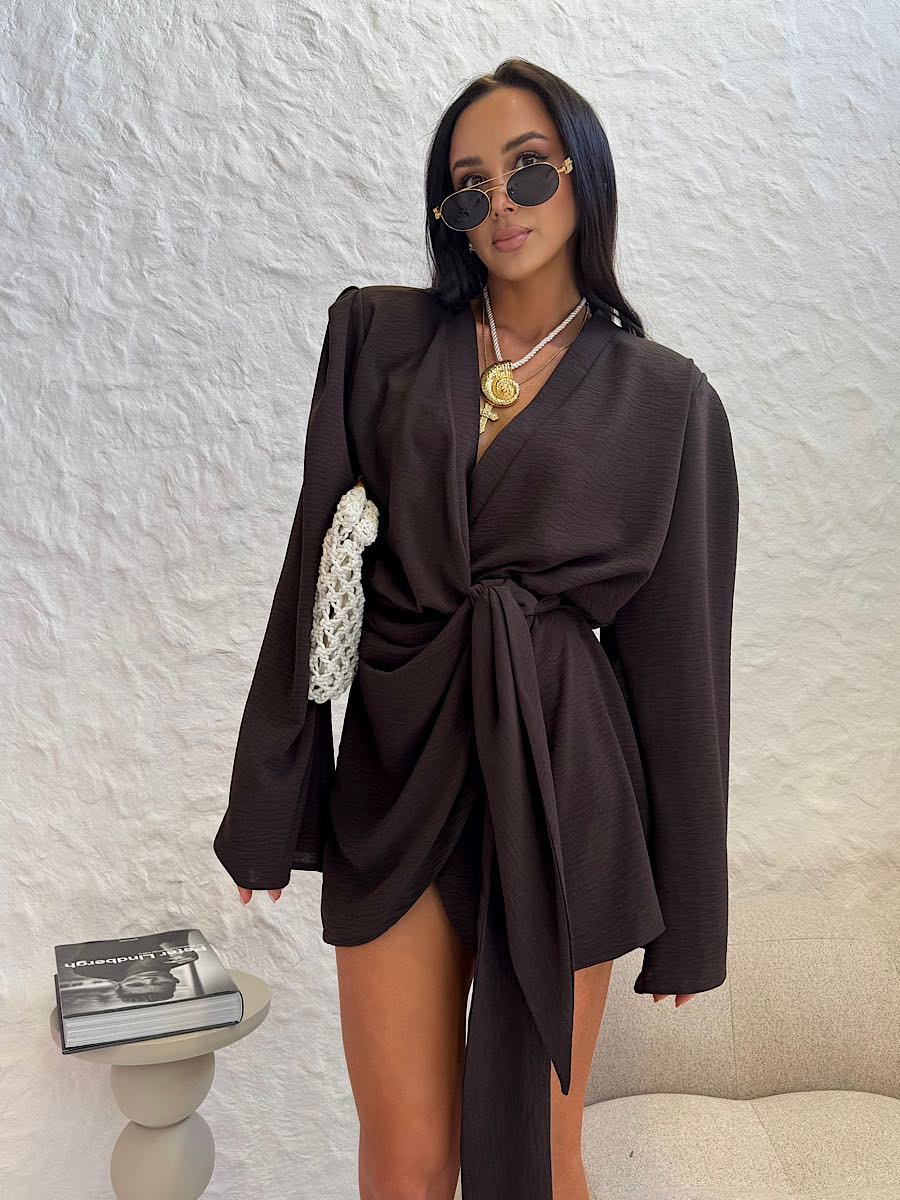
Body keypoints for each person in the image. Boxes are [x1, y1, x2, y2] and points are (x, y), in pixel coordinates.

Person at [214, 58, 739, 1200]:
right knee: (406, 1161)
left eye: (529, 170)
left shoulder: (668, 400)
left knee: (543, 1162)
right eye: (467, 186)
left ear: (584, 176)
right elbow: (312, 573)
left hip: (560, 780)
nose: (500, 203)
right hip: (396, 762)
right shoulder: (378, 337)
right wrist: (269, 803)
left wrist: (691, 918)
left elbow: (680, 673)